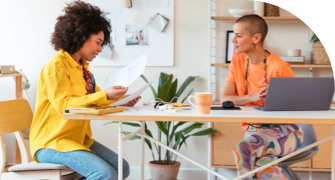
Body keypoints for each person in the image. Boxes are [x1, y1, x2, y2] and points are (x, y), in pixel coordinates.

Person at [29, 1, 140, 179]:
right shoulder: (57, 65)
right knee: (105, 174)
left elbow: (95, 98)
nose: (99, 49)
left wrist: (120, 99)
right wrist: (104, 95)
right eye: (98, 42)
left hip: (78, 141)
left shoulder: (83, 70)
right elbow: (64, 105)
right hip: (52, 143)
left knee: (122, 168)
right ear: (81, 36)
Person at [220, 14, 304, 180]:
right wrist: (253, 96)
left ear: (256, 37)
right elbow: (225, 99)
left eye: (239, 36)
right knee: (264, 164)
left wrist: (277, 96)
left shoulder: (279, 66)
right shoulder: (237, 60)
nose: (233, 41)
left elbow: (298, 103)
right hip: (254, 131)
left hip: (287, 132)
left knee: (242, 147)